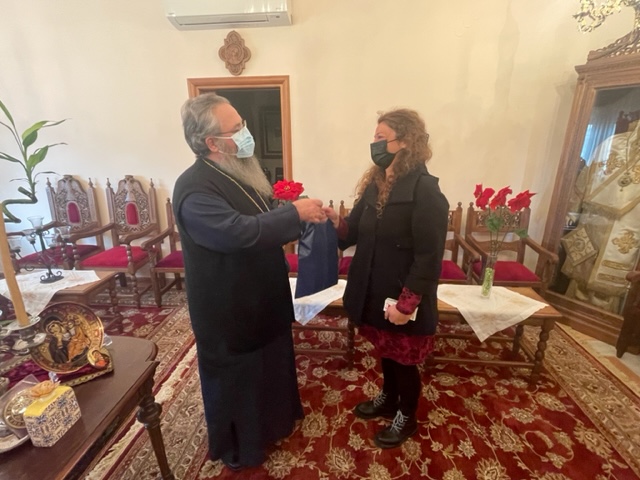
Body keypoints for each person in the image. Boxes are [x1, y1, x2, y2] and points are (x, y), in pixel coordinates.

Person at [172, 93, 330, 471]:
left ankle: (274, 425)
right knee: (240, 380)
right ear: (213, 143)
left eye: (242, 123)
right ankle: (243, 448)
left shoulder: (237, 171)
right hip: (229, 308)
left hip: (262, 297)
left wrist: (298, 213)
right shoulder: (194, 188)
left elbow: (260, 215)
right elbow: (237, 232)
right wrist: (293, 214)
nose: (246, 132)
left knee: (270, 365)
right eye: (237, 128)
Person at [326, 108, 449, 448]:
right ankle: (388, 399)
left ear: (405, 141)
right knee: (387, 351)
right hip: (373, 288)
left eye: (381, 138)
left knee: (404, 359)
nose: (375, 144)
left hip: (403, 293)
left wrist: (407, 304)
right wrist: (336, 222)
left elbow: (429, 256)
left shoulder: (425, 190)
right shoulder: (375, 184)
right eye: (375, 137)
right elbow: (352, 233)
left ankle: (406, 415)